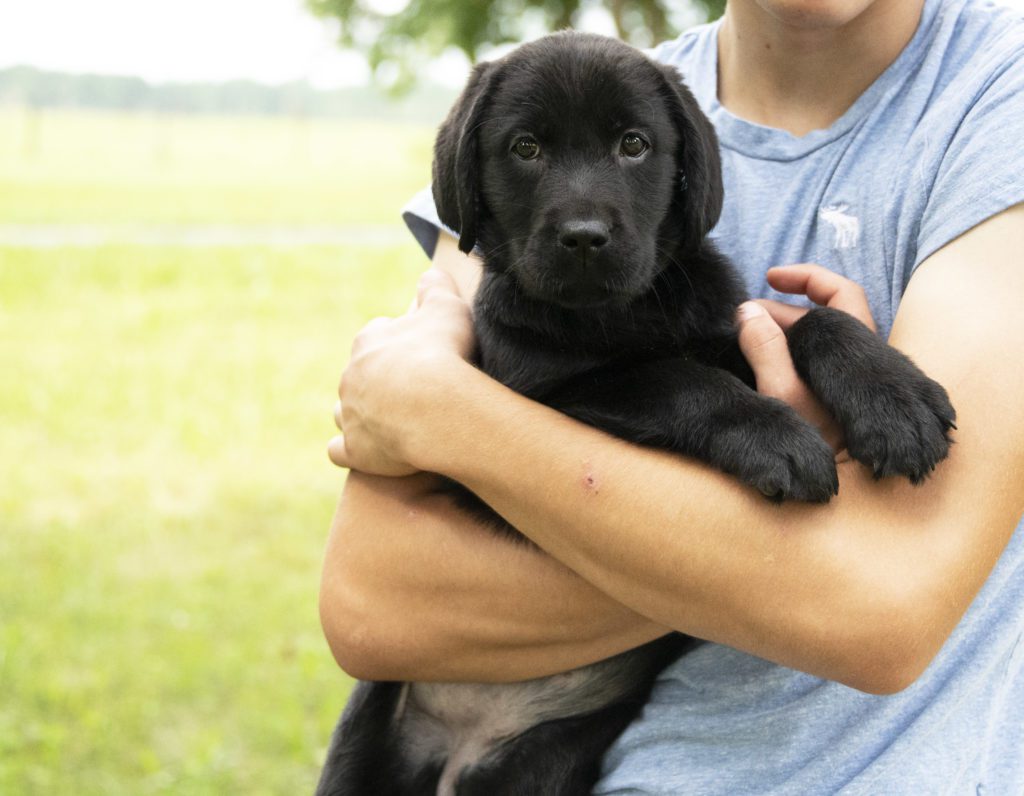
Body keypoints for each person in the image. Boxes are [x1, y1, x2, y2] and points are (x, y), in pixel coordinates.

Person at [321, 0, 1024, 791]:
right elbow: (365, 609)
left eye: (630, 149)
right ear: (471, 177)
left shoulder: (995, 90)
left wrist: (443, 412)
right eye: (527, 150)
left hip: (571, 743)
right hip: (407, 730)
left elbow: (878, 611)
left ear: (691, 176)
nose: (583, 216)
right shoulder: (606, 95)